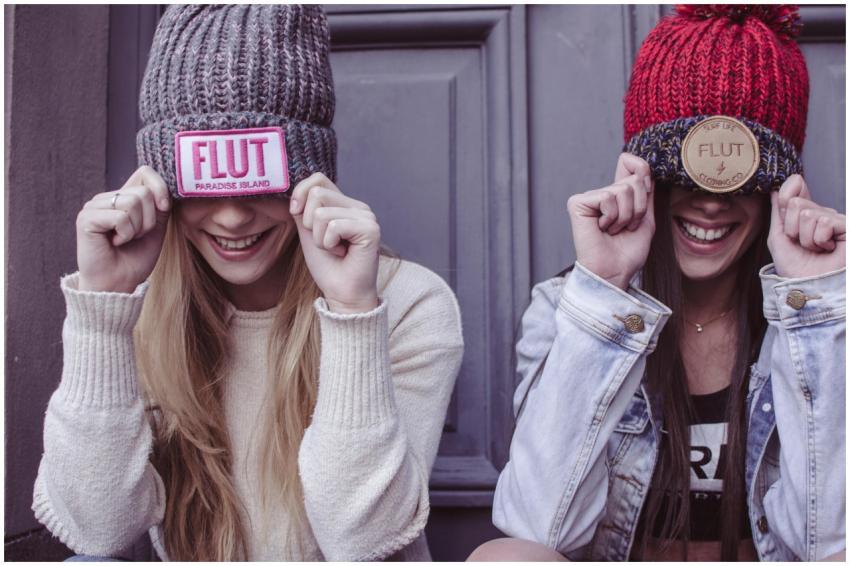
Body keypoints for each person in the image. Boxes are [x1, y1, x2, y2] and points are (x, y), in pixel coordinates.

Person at [32, 5, 463, 561]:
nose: (233, 217)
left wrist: (353, 312)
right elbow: (98, 530)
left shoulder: (408, 304)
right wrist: (103, 310)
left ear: (309, 179)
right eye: (206, 183)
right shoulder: (141, 308)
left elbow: (364, 541)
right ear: (163, 187)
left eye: (260, 181)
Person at [471, 5, 845, 562]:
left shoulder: (827, 314)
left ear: (774, 186)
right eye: (682, 171)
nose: (712, 200)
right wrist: (605, 287)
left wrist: (816, 310)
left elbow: (834, 541)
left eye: (740, 176)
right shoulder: (566, 307)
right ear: (644, 178)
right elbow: (535, 527)